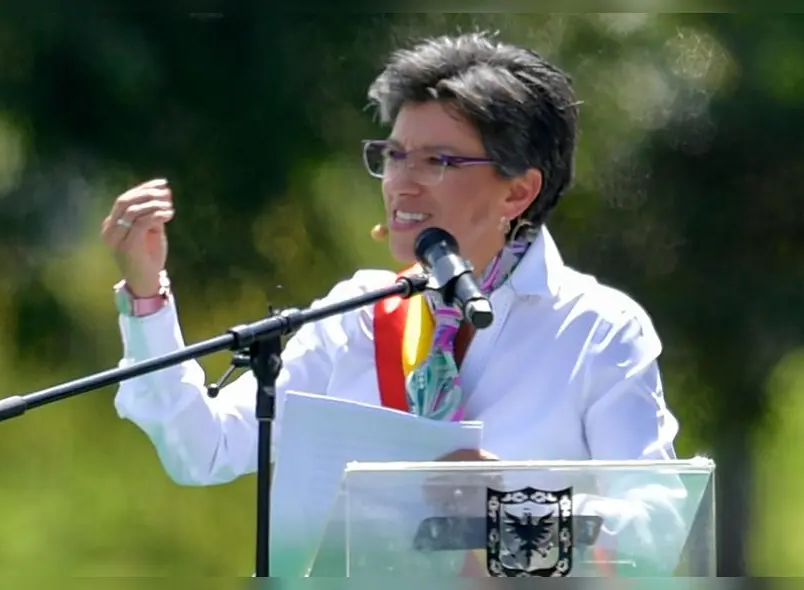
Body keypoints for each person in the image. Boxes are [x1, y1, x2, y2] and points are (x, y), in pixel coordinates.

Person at [102, 33, 686, 576]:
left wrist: (508, 507)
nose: (401, 182)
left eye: (438, 161)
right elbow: (201, 449)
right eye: (394, 155)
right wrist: (147, 295)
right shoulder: (356, 315)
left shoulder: (594, 329)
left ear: (518, 191)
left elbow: (659, 528)